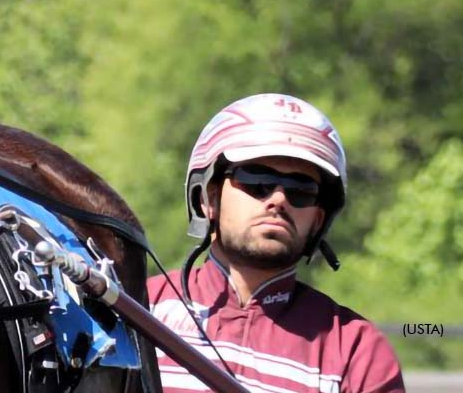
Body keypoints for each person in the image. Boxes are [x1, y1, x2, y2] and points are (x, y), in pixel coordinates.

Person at [147, 93, 404, 393]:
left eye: (301, 190)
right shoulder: (136, 308)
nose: (279, 200)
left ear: (318, 220)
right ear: (208, 198)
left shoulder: (355, 352)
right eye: (257, 181)